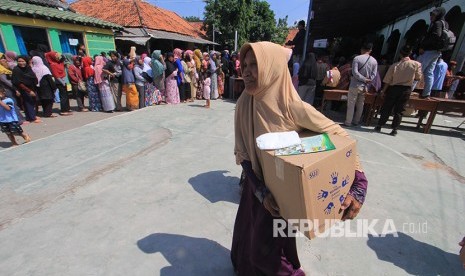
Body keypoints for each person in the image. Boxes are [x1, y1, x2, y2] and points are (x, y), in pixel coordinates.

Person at [232, 41, 368, 275]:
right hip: (255, 188)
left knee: (266, 254)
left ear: (272, 67)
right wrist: (258, 191)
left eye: (254, 64)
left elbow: (338, 136)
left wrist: (358, 185)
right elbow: (243, 153)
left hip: (281, 196)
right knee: (247, 237)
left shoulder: (290, 105)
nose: (246, 71)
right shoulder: (245, 101)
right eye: (244, 64)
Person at [374, 45, 422, 136]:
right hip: (406, 89)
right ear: (410, 53)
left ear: (400, 54)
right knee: (399, 110)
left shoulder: (394, 65)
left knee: (387, 107)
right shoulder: (417, 64)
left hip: (394, 88)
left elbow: (387, 80)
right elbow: (418, 77)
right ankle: (394, 129)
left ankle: (380, 125)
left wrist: (383, 91)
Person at [417, 7, 448, 98]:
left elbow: (436, 36)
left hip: (429, 51)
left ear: (439, 15)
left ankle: (408, 90)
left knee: (418, 70)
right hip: (437, 52)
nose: (431, 16)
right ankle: (426, 93)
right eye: (431, 14)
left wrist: (423, 46)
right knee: (429, 73)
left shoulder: (438, 23)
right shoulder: (445, 23)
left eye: (433, 14)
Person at [345, 42, 378, 127]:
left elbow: (354, 72)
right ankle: (356, 121)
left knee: (351, 104)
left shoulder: (357, 58)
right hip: (365, 86)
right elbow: (374, 74)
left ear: (362, 49)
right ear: (370, 50)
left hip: (355, 84)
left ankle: (348, 122)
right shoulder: (374, 61)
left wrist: (363, 78)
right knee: (360, 104)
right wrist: (368, 80)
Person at [11, 56, 41, 123]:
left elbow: (33, 77)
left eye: (22, 61)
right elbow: (18, 82)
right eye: (19, 61)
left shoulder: (28, 68)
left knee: (31, 102)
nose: (21, 63)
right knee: (28, 102)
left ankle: (30, 117)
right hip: (23, 88)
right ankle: (32, 118)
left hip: (31, 87)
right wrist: (29, 91)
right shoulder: (16, 70)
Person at [45, 51, 72, 116]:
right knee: (63, 97)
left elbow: (65, 62)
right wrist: (62, 82)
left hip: (64, 81)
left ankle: (67, 108)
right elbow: (56, 75)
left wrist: (66, 62)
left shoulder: (60, 63)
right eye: (56, 56)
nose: (58, 57)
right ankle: (63, 110)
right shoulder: (53, 65)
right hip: (60, 82)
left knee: (66, 96)